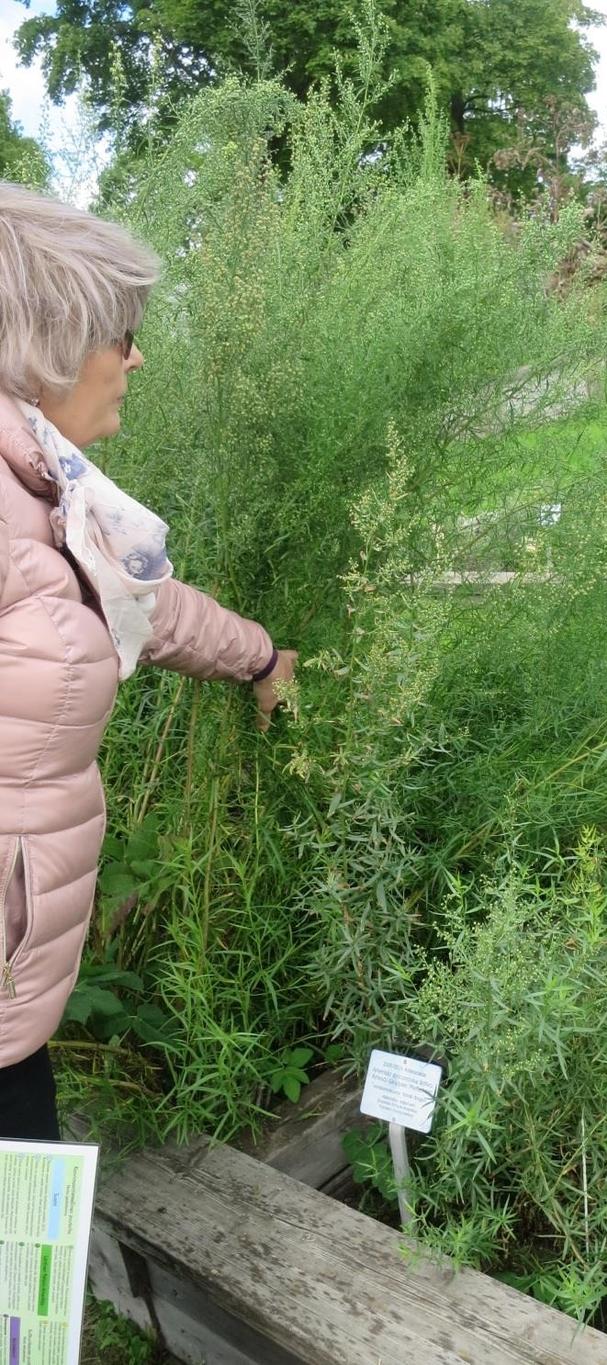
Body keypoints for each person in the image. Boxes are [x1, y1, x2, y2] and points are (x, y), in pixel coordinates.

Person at [0, 182, 296, 1140]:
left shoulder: (41, 489)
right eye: (119, 333)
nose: (136, 357)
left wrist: (258, 657)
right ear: (46, 345)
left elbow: (135, 600)